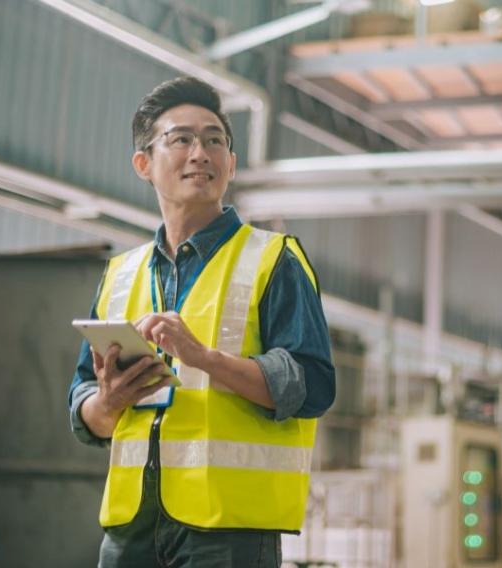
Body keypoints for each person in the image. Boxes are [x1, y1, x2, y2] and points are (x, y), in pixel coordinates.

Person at [68, 76, 335, 568]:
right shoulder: (119, 274)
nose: (201, 153)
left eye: (215, 140)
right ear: (143, 164)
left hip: (228, 532)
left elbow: (313, 386)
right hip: (131, 530)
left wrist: (203, 359)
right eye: (182, 139)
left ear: (231, 164)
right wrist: (109, 400)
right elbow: (85, 411)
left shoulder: (274, 260)